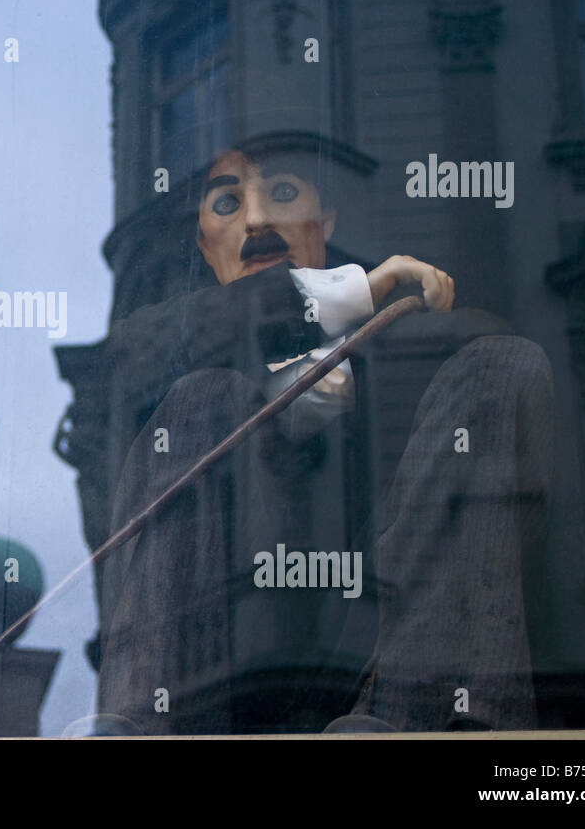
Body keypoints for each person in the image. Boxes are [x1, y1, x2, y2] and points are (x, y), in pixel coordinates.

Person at [95, 147, 554, 733]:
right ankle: (137, 722)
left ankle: (442, 722)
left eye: (284, 194)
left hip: (390, 674)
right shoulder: (184, 359)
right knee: (201, 396)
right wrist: (358, 288)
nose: (257, 221)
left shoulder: (425, 344)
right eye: (229, 203)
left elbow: (487, 348)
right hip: (211, 688)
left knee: (502, 364)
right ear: (207, 248)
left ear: (326, 224)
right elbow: (138, 345)